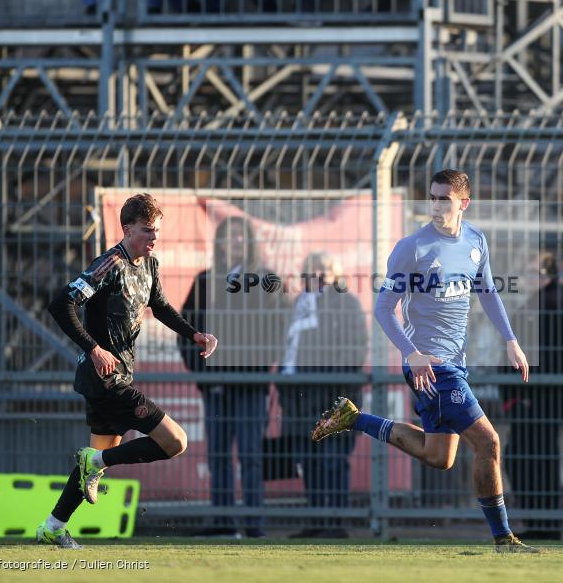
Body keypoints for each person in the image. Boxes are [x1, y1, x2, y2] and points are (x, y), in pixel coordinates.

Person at [310, 169, 538, 553]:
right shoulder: (411, 248)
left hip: (453, 363)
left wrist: (511, 341)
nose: (435, 205)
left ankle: (355, 418)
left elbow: (488, 294)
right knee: (489, 443)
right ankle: (504, 539)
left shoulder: (476, 241)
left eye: (443, 199)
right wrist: (411, 353)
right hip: (431, 364)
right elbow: (384, 308)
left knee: (439, 457)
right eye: (431, 197)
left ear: (464, 203)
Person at [38, 193, 217, 549]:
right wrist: (94, 348)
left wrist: (194, 333)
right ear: (127, 228)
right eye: (147, 230)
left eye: (158, 231)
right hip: (104, 379)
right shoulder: (109, 264)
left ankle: (53, 525)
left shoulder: (149, 265)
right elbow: (61, 304)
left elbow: (161, 306)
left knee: (97, 460)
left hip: (118, 377)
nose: (154, 237)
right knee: (175, 441)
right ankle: (94, 463)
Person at [180, 215, 285, 538]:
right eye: (229, 236)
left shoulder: (267, 280)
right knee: (218, 456)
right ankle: (222, 521)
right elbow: (186, 331)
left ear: (250, 242)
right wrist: (205, 376)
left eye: (241, 236)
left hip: (251, 386)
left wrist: (255, 366)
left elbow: (278, 330)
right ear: (220, 243)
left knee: (252, 456)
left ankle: (254, 524)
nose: (235, 242)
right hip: (216, 388)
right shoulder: (204, 281)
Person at [280, 252, 368, 538]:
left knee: (334, 460)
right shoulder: (297, 306)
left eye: (324, 269)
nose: (317, 274)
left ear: (335, 273)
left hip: (335, 396)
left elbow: (356, 348)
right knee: (310, 460)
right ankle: (316, 520)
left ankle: (336, 523)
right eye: (311, 269)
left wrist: (335, 384)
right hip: (301, 397)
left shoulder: (347, 303)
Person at [500, 252, 563, 540]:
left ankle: (544, 522)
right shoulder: (535, 307)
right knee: (526, 458)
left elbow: (557, 358)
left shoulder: (556, 306)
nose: (529, 277)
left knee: (535, 459)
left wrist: (527, 395)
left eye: (534, 272)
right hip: (529, 400)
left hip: (542, 401)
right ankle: (540, 521)